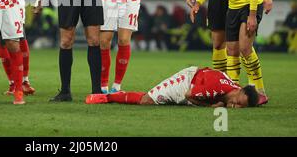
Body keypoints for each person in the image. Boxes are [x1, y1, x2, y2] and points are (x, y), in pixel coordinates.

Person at [86, 66, 259, 108]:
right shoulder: (217, 89)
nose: (235, 105)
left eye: (240, 106)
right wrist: (211, 105)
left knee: (154, 101)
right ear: (239, 91)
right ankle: (107, 97)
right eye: (237, 101)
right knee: (147, 101)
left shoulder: (235, 88)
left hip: (198, 79)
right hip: (187, 81)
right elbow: (190, 95)